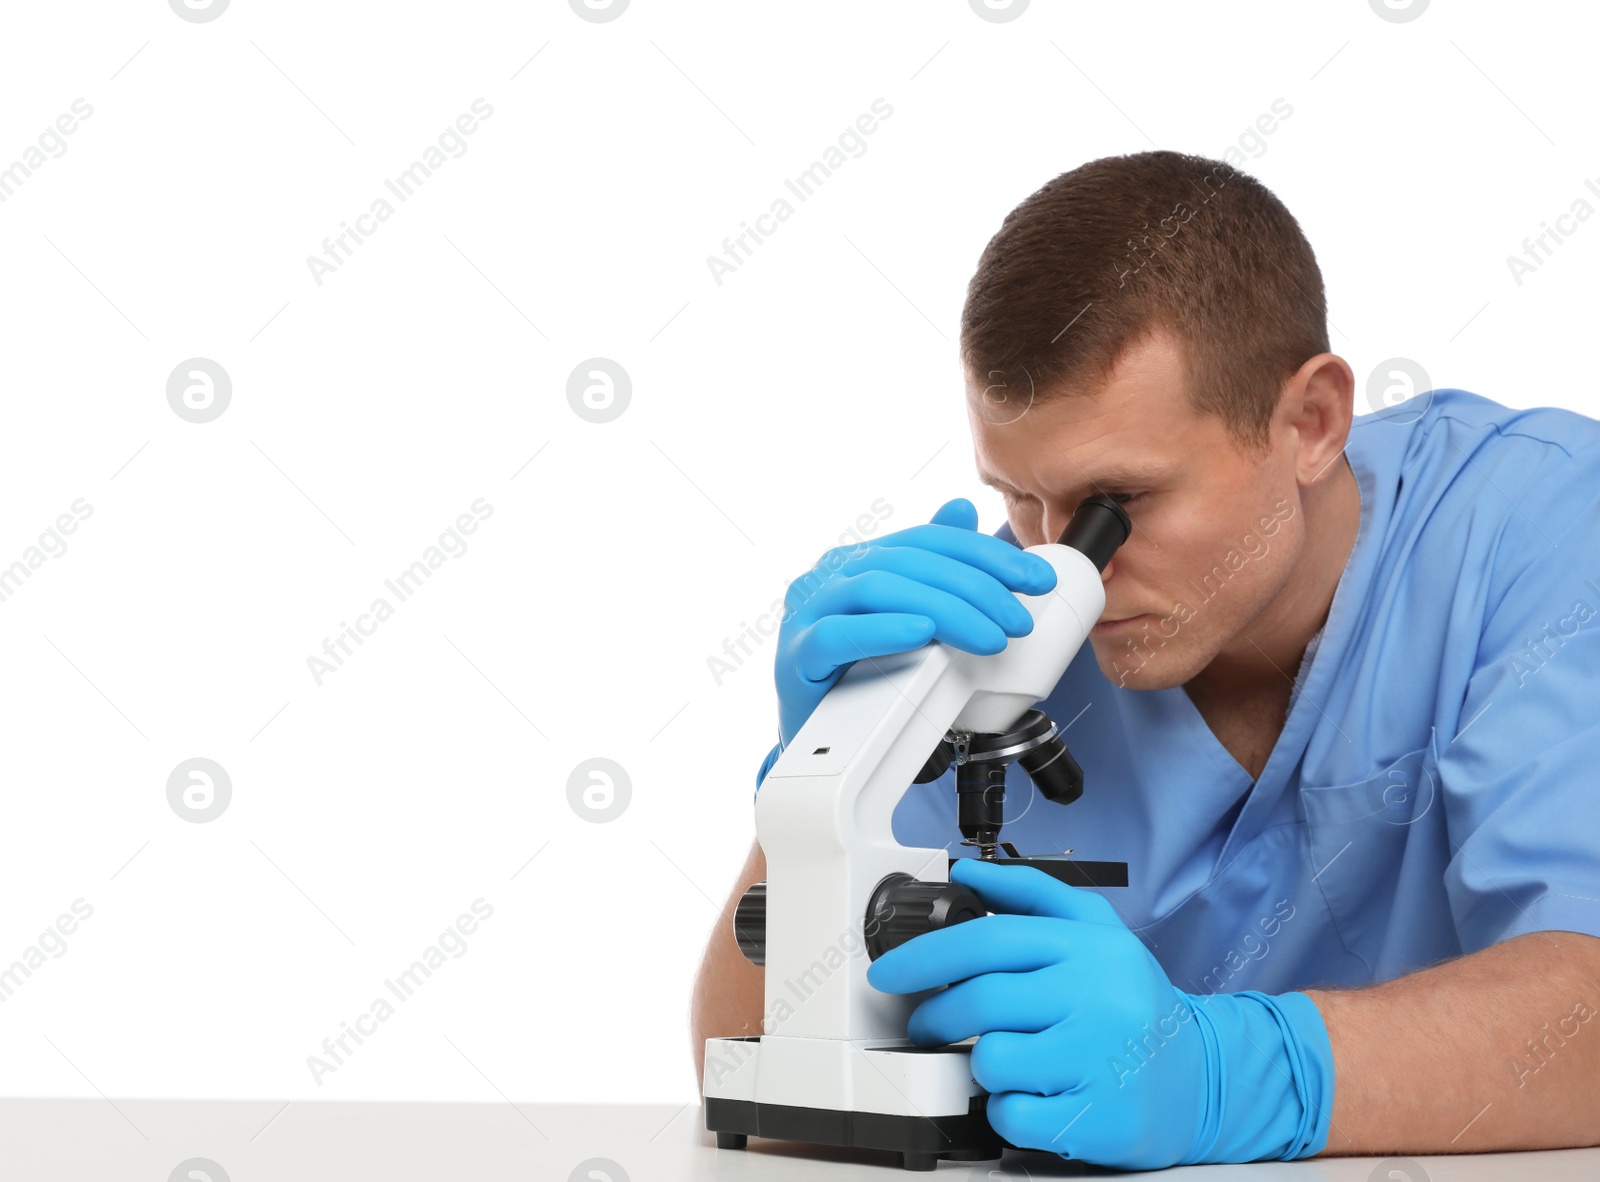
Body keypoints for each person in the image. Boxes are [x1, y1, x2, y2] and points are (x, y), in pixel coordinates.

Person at [690, 149, 1600, 1168]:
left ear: (1309, 423)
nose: (1060, 566)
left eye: (1113, 504)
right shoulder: (998, 622)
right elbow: (765, 1092)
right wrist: (816, 792)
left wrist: (1229, 1075)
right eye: (1018, 498)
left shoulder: (1542, 530)